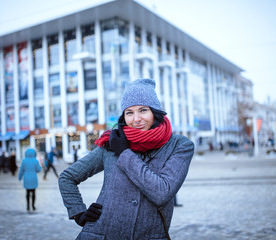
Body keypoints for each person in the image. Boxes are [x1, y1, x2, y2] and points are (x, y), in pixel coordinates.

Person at [59, 78, 194, 240]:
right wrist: (78, 212)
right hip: (101, 234)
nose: (136, 119)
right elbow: (67, 177)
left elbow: (162, 192)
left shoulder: (179, 145)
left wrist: (124, 153)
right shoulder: (111, 143)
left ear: (155, 112)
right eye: (129, 112)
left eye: (143, 110)